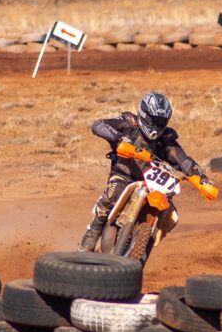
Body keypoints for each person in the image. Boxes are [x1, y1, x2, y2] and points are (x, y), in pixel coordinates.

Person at [78, 92, 211, 251]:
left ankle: (148, 240)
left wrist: (201, 177)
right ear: (144, 114)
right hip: (124, 174)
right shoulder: (129, 124)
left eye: (161, 121)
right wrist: (119, 138)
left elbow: (182, 158)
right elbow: (99, 125)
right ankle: (94, 228)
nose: (156, 125)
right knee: (114, 192)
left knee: (170, 213)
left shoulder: (166, 137)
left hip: (152, 181)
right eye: (154, 120)